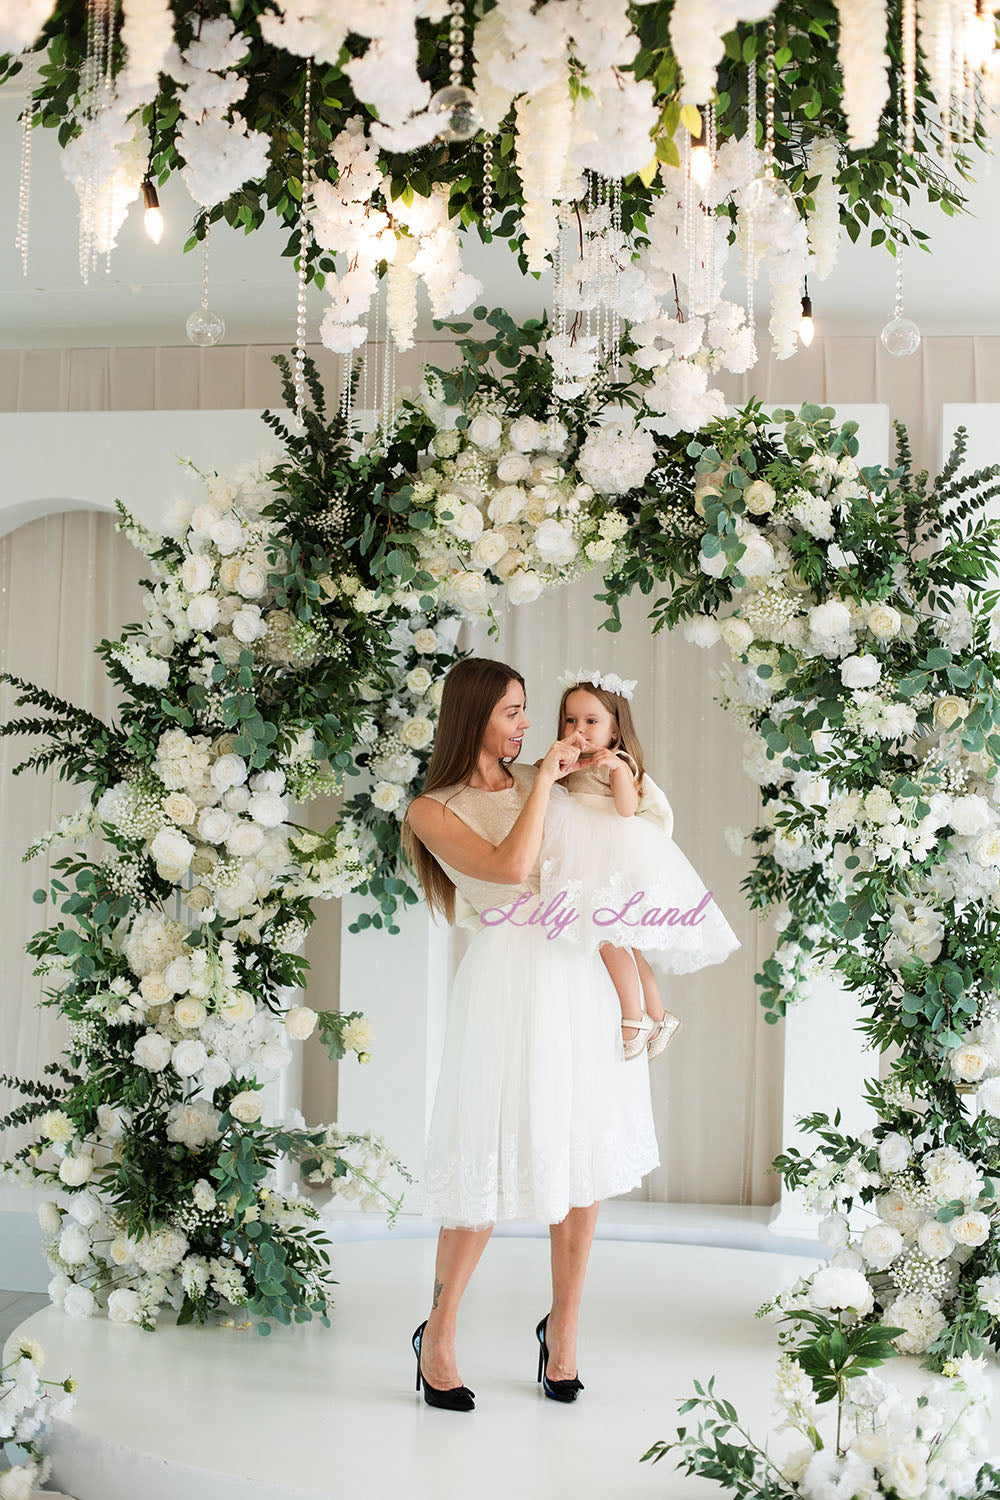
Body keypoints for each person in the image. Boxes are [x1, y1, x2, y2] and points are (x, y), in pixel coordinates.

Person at [401, 657, 659, 1411]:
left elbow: (615, 861)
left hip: (576, 975)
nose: (527, 725)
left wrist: (637, 986)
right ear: (475, 715)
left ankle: (566, 1330)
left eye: (525, 711)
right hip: (507, 983)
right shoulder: (433, 807)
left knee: (580, 1156)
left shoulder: (559, 780)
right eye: (513, 711)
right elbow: (511, 871)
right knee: (485, 1157)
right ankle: (439, 1333)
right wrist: (543, 784)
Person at [536, 669, 742, 1060]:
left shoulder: (617, 763)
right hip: (581, 855)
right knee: (627, 945)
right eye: (571, 719)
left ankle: (634, 1017)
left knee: (612, 940)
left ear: (614, 731)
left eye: (592, 721)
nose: (579, 729)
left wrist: (615, 769)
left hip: (609, 853)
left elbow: (627, 810)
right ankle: (660, 1016)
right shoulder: (564, 760)